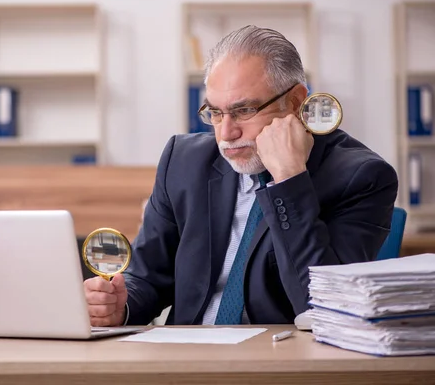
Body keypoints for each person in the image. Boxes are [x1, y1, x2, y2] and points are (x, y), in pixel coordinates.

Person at [84, 25, 398, 327]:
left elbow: (325, 308)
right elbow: (147, 277)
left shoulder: (362, 178)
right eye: (215, 112)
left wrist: (288, 179)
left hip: (280, 364)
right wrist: (118, 307)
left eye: (244, 110)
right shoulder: (183, 161)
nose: (226, 133)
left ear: (296, 102)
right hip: (184, 361)